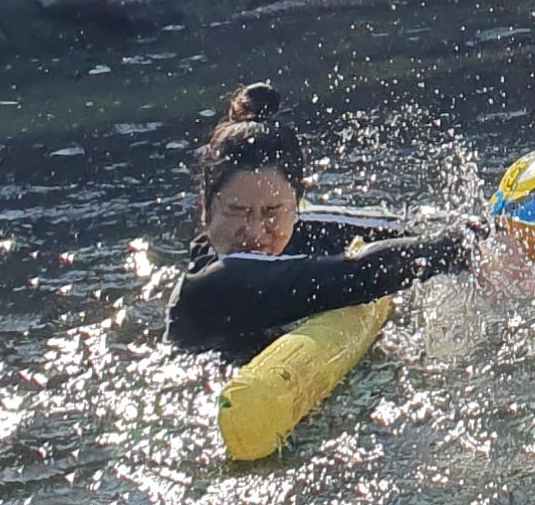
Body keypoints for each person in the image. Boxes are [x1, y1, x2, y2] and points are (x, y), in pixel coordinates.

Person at [164, 83, 476, 359]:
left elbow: (412, 229)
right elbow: (356, 274)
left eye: (272, 212)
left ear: (296, 205)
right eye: (237, 211)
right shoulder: (211, 285)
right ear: (206, 206)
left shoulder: (303, 227)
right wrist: (453, 246)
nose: (256, 232)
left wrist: (475, 236)